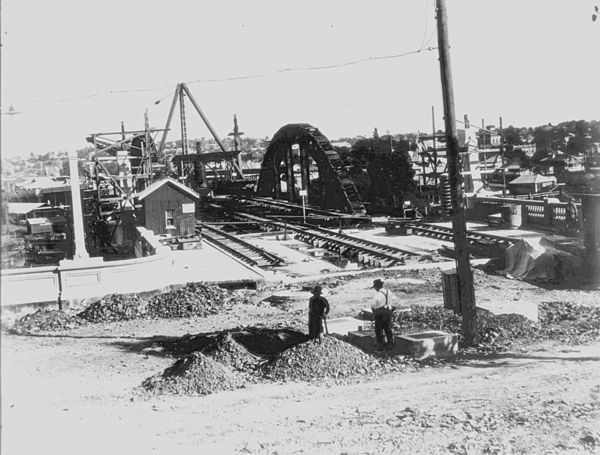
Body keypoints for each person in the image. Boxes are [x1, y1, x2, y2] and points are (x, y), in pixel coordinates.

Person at [371, 279, 396, 350]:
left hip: (380, 313)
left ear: (376, 287)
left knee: (378, 330)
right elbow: (394, 302)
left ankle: (380, 346)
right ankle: (390, 345)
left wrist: (374, 314)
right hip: (388, 312)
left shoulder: (378, 294)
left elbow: (373, 306)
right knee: (388, 329)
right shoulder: (389, 292)